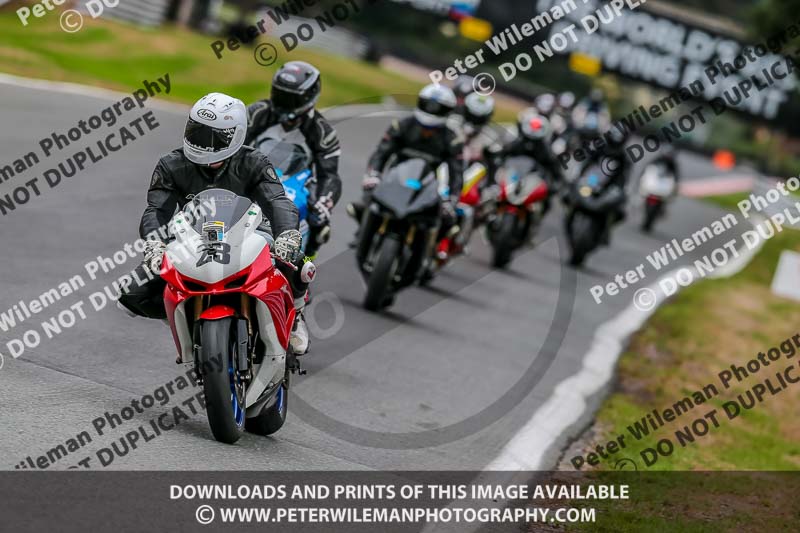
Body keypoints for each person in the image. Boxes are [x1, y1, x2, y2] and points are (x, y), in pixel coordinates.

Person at [117, 92, 313, 355]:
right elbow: (156, 210)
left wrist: (287, 233)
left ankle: (296, 312)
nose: (201, 142)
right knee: (131, 294)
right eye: (196, 131)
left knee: (300, 265)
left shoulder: (254, 162)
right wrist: (155, 243)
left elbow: (278, 200)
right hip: (192, 236)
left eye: (213, 136)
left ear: (236, 135)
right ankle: (185, 317)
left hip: (251, 232)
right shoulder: (170, 165)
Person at [245, 61, 342, 260]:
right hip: (252, 171)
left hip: (295, 181)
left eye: (291, 98)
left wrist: (325, 201)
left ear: (308, 98)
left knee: (320, 219)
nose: (283, 103)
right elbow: (232, 143)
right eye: (280, 95)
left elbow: (329, 175)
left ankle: (304, 267)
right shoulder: (257, 112)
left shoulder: (323, 131)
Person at [351, 84, 465, 239]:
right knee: (363, 204)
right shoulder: (401, 126)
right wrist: (374, 174)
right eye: (429, 105)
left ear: (448, 111)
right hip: (394, 178)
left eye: (438, 108)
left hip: (428, 186)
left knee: (448, 220)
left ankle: (431, 253)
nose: (432, 110)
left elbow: (456, 172)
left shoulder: (452, 139)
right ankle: (362, 234)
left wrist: (452, 199)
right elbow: (381, 152)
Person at [494, 108, 563, 212]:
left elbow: (555, 170)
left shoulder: (546, 150)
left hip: (532, 181)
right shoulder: (518, 143)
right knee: (493, 193)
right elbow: (502, 155)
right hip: (514, 177)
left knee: (546, 202)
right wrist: (498, 165)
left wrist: (554, 185)